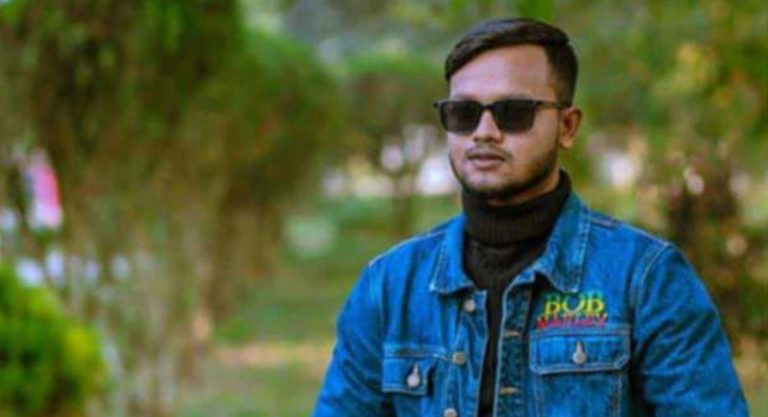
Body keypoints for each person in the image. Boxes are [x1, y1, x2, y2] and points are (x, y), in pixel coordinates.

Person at [312, 17, 748, 417]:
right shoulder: (389, 286)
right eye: (463, 114)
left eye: (513, 112)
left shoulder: (646, 279)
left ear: (567, 126)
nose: (484, 132)